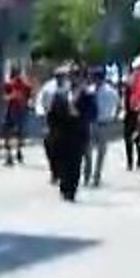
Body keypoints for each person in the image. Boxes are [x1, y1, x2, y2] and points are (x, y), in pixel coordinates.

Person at [47, 73, 89, 202]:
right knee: (62, 162)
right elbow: (52, 114)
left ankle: (71, 190)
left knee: (75, 164)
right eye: (71, 77)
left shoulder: (86, 95)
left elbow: (93, 113)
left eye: (77, 76)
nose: (73, 79)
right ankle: (64, 186)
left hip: (78, 134)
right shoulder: (59, 95)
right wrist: (52, 130)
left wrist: (80, 115)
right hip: (61, 134)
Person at [84, 68, 121, 187]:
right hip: (92, 123)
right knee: (87, 151)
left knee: (100, 153)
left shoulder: (110, 91)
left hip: (104, 123)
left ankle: (96, 176)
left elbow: (118, 105)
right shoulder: (90, 91)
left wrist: (113, 117)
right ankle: (88, 174)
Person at [37, 66, 68, 184]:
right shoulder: (48, 87)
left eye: (62, 76)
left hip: (65, 121)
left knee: (64, 148)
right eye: (58, 76)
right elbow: (40, 102)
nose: (60, 78)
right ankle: (54, 171)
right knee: (49, 146)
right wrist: (41, 114)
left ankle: (63, 171)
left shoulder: (69, 87)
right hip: (50, 120)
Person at [2, 66, 33, 166]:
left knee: (7, 132)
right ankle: (18, 152)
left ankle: (9, 155)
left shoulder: (9, 84)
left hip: (11, 110)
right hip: (21, 111)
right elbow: (29, 97)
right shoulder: (25, 84)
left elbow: (5, 97)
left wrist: (10, 97)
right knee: (20, 133)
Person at [122, 57, 140, 171]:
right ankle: (132, 161)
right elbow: (125, 98)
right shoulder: (129, 82)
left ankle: (137, 160)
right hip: (130, 112)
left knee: (136, 138)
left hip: (137, 112)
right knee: (129, 138)